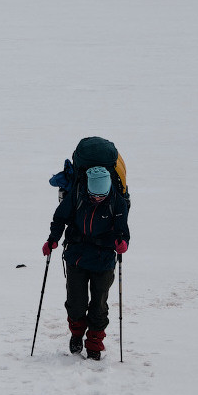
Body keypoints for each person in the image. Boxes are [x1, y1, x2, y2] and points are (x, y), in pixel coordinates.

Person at [44, 138, 131, 360]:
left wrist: (123, 242)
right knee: (76, 303)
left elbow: (122, 229)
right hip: (76, 254)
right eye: (94, 195)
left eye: (101, 196)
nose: (97, 198)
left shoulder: (117, 201)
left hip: (103, 259)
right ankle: (76, 335)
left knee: (99, 305)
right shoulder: (78, 193)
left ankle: (94, 343)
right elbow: (60, 217)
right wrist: (53, 239)